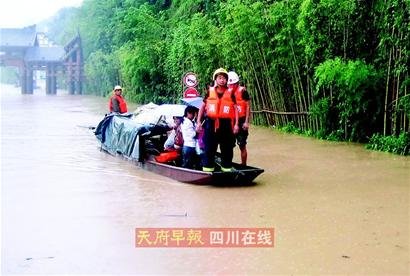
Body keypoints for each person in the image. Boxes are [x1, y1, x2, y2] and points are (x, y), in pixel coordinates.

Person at [196, 68, 239, 172]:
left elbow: (235, 109)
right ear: (216, 79)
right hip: (211, 123)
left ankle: (226, 169)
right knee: (209, 148)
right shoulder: (209, 92)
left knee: (227, 148)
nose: (222, 80)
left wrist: (236, 124)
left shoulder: (231, 93)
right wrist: (198, 122)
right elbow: (202, 106)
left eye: (224, 78)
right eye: (220, 78)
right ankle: (208, 170)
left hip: (226, 124)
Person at [228, 71, 251, 166]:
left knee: (242, 145)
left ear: (237, 83)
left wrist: (246, 122)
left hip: (241, 120)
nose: (231, 86)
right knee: (228, 146)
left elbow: (248, 106)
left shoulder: (243, 91)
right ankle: (228, 164)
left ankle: (244, 165)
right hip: (230, 121)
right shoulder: (226, 92)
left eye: (233, 84)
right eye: (230, 85)